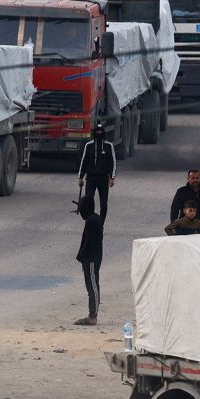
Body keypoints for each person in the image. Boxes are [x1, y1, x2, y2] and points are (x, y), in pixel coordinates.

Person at [74, 195, 104, 326]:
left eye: (80, 209)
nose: (80, 212)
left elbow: (88, 243)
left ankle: (93, 316)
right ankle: (92, 314)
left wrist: (82, 256)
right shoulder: (94, 219)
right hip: (91, 258)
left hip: (91, 259)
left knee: (92, 287)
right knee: (92, 285)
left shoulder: (92, 221)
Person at [76, 123, 116, 219]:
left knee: (103, 203)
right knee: (88, 200)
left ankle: (101, 224)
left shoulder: (108, 146)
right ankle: (90, 221)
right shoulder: (89, 145)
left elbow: (112, 162)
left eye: (100, 132)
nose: (99, 134)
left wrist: (112, 177)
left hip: (103, 178)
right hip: (91, 178)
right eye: (97, 132)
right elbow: (84, 161)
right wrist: (80, 177)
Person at [169, 169, 200, 234]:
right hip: (185, 229)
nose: (195, 180)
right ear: (188, 179)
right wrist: (173, 227)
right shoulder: (181, 192)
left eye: (197, 178)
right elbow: (174, 210)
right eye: (193, 178)